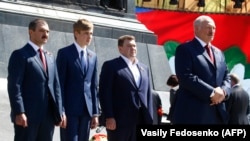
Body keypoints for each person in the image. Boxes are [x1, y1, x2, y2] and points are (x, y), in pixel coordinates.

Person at [7, 18, 66, 141]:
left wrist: (60, 111)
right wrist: (19, 112)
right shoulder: (20, 55)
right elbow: (14, 86)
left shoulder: (50, 57)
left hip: (48, 117)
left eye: (48, 32)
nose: (45, 34)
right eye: (41, 31)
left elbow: (56, 87)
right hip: (27, 116)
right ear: (31, 32)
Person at [172, 15, 231, 124]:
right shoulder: (185, 49)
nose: (212, 31)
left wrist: (223, 92)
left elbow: (226, 77)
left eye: (214, 28)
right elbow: (185, 77)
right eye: (208, 27)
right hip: (192, 115)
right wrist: (211, 93)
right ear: (196, 28)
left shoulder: (219, 53)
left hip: (216, 115)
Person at [99, 35, 153, 141]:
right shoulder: (111, 66)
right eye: (129, 46)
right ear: (120, 48)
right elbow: (105, 93)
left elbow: (148, 95)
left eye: (134, 46)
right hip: (119, 121)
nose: (133, 48)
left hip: (141, 119)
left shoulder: (144, 68)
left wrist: (150, 118)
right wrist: (109, 116)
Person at [56, 18, 99, 141]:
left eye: (91, 33)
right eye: (86, 33)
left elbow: (93, 86)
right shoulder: (64, 53)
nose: (89, 36)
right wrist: (61, 110)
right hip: (70, 110)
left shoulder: (93, 56)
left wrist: (95, 113)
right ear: (76, 33)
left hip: (87, 110)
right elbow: (60, 85)